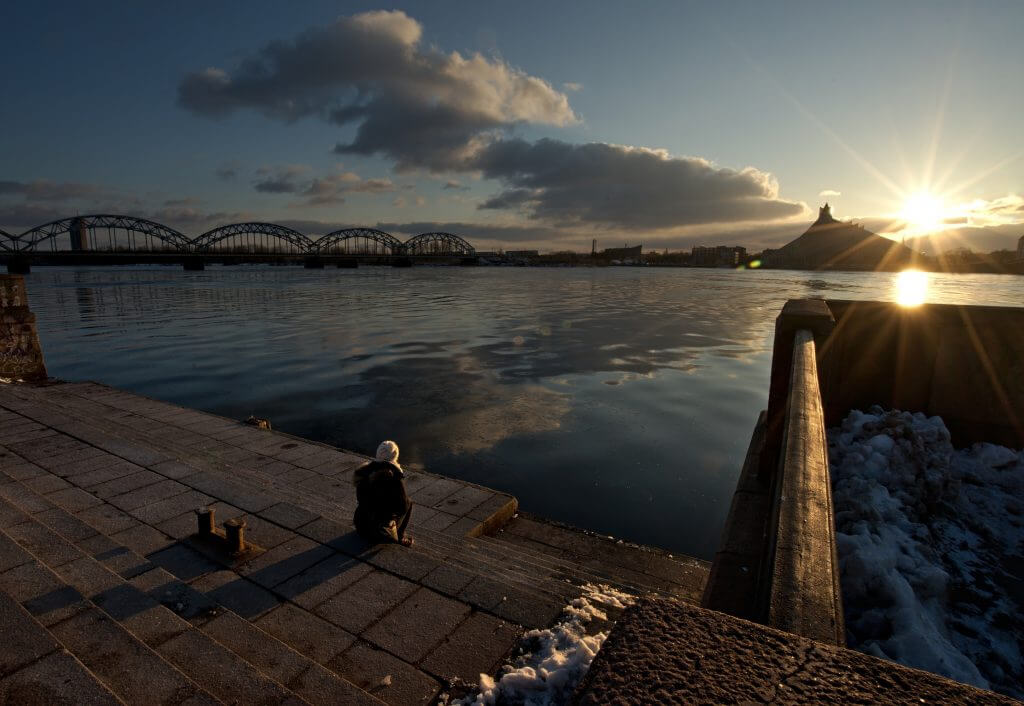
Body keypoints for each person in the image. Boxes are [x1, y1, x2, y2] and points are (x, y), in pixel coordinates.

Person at [352, 440, 413, 546]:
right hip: (379, 533)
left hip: (360, 526)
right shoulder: (394, 477)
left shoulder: (364, 472)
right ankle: (400, 536)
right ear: (395, 456)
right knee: (408, 503)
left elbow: (361, 499)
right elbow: (403, 507)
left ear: (378, 454)